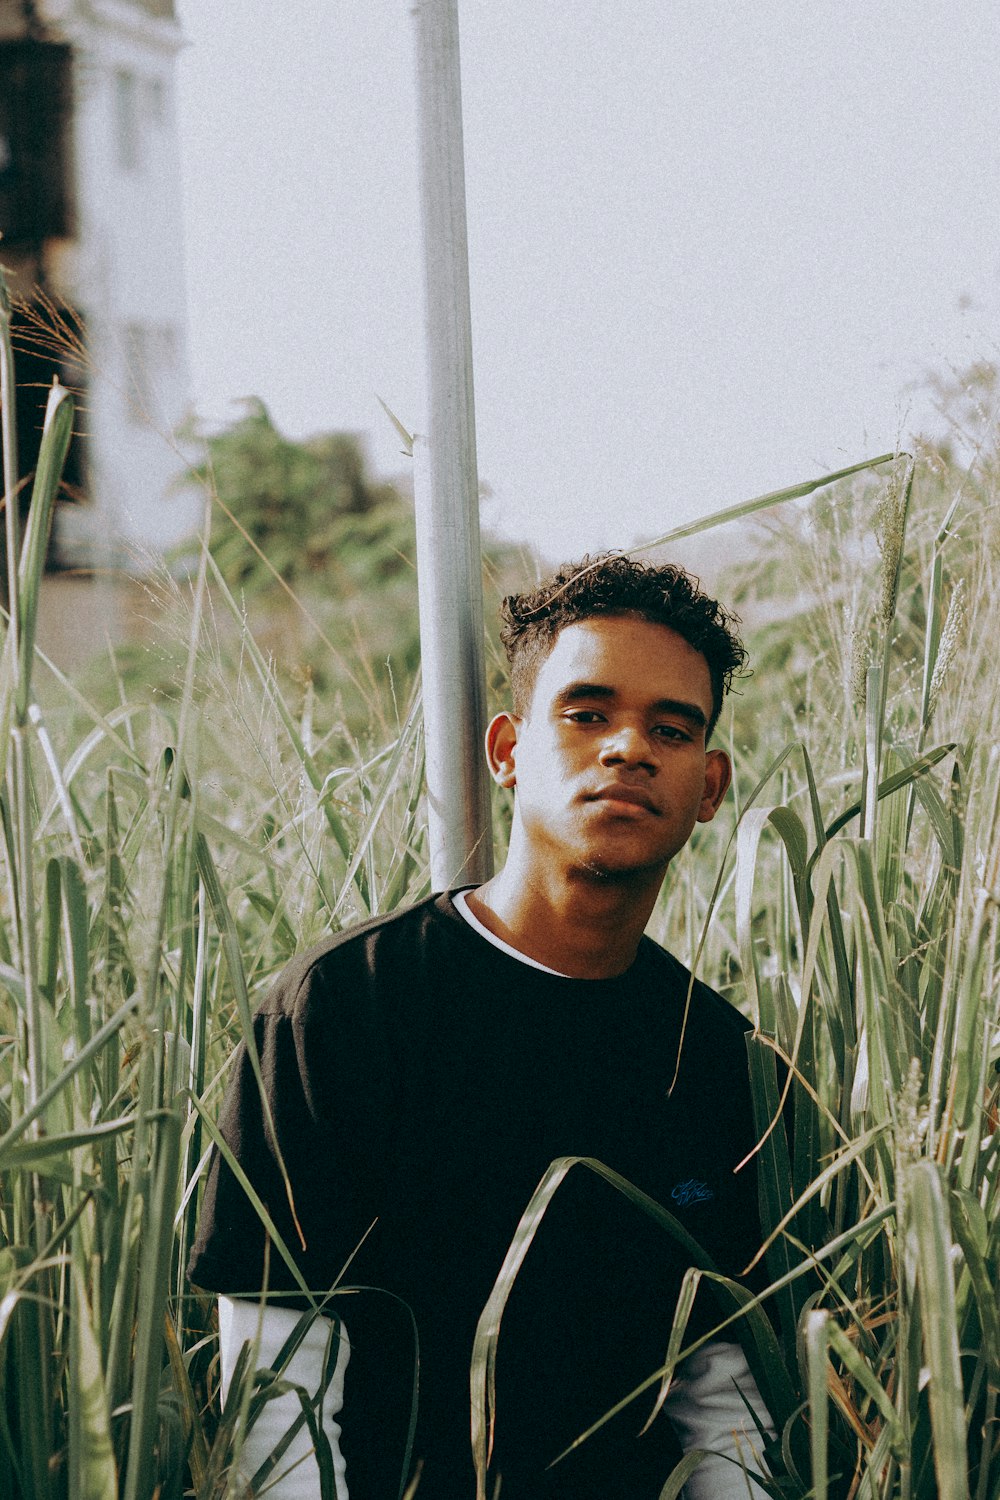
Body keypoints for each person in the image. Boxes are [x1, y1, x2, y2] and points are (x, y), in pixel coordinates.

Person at [189, 554, 775, 1500]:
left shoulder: (709, 1052)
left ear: (709, 787)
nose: (629, 748)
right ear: (507, 750)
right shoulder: (344, 1008)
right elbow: (277, 1390)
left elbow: (721, 1398)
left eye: (671, 728)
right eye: (587, 714)